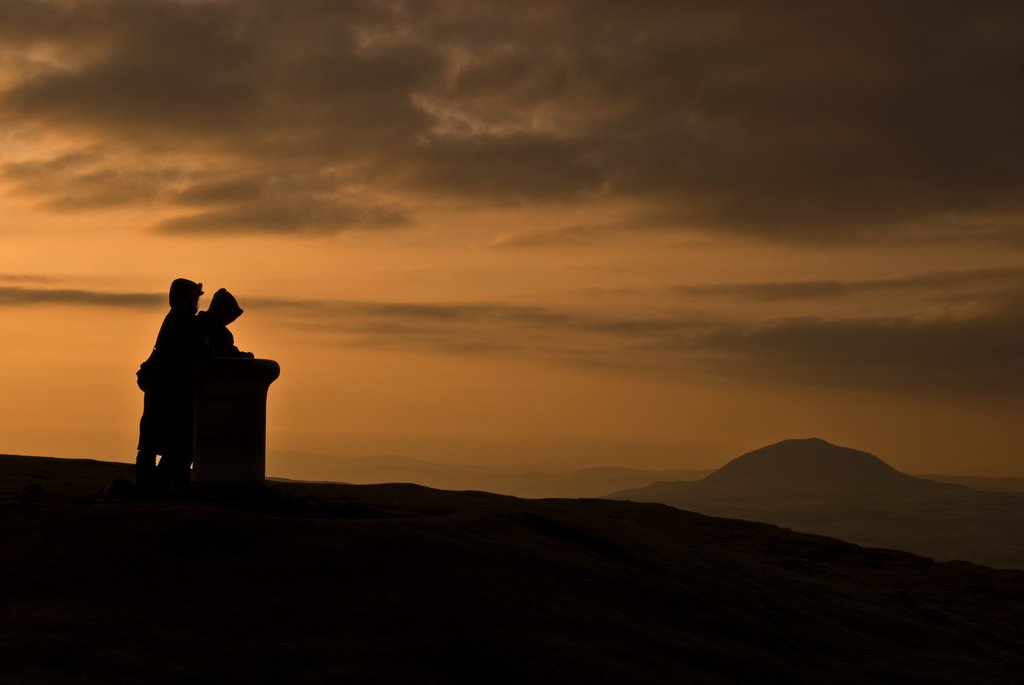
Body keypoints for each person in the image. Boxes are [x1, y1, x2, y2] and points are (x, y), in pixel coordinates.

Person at [136, 278, 205, 493]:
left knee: (160, 442)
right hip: (168, 391)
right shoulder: (182, 322)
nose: (196, 303)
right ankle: (155, 487)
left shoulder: (178, 320)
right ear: (185, 299)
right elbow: (196, 352)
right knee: (177, 443)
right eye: (194, 298)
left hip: (163, 388)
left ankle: (154, 486)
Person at [196, 288, 255, 358]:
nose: (227, 320)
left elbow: (230, 351)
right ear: (218, 310)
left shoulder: (225, 334)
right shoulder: (195, 325)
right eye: (227, 315)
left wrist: (242, 356)